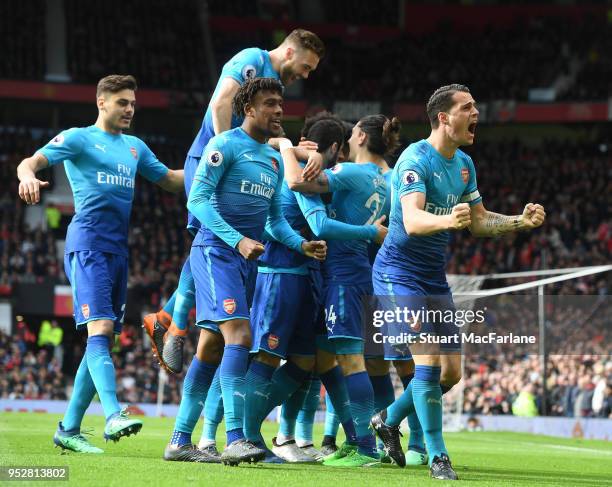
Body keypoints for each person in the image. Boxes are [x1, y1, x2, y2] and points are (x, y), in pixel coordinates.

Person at [370, 84, 545, 480]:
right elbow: (413, 221)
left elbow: (480, 221)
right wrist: (450, 219)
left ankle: (387, 418)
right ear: (444, 117)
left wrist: (520, 221)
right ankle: (437, 456)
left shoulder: (464, 164)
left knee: (452, 374)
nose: (476, 114)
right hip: (397, 272)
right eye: (468, 108)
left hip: (434, 277)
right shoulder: (415, 159)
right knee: (428, 364)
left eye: (476, 107)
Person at [16, 74, 184, 454]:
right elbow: (32, 162)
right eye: (123, 102)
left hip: (117, 252)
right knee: (101, 328)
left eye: (133, 104)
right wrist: (27, 175)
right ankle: (112, 414)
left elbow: (172, 181)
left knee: (103, 338)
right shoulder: (77, 138)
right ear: (102, 102)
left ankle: (69, 429)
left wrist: (213, 166)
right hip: (87, 244)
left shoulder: (135, 147)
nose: (130, 109)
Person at [163, 78, 326, 465]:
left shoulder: (271, 160)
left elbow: (272, 221)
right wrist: (236, 239)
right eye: (270, 103)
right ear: (248, 109)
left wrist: (299, 244)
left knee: (213, 346)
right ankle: (236, 437)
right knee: (239, 336)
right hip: (214, 252)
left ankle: (180, 440)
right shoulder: (223, 146)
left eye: (280, 103)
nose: (279, 111)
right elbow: (198, 201)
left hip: (245, 261)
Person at [143, 29, 325, 375]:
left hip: (234, 164)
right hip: (215, 161)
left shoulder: (270, 87)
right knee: (208, 240)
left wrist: (292, 148)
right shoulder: (251, 60)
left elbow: (261, 139)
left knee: (211, 245)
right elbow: (222, 102)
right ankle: (175, 324)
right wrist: (227, 147)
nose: (305, 75)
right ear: (289, 52)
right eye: (306, 66)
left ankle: (167, 317)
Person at [240, 113, 387, 463]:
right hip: (282, 272)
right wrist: (288, 148)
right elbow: (281, 222)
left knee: (313, 360)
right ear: (336, 147)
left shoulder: (337, 178)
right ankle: (245, 435)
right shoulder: (305, 174)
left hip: (317, 277)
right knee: (270, 355)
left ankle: (344, 439)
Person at [281, 114, 401, 467]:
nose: (347, 139)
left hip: (344, 278)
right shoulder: (388, 180)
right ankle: (356, 440)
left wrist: (288, 148)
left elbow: (296, 184)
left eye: (352, 134)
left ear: (361, 136)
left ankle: (365, 448)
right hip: (362, 273)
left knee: (351, 361)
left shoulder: (351, 173)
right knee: (339, 359)